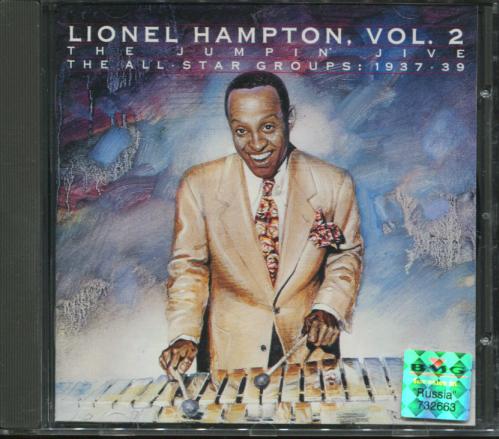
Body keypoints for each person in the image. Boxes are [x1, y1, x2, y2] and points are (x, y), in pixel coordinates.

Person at [159, 71, 363, 376]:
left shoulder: (333, 183)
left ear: (289, 119)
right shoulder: (198, 185)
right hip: (229, 359)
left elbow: (345, 257)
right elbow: (189, 269)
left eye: (268, 127)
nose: (256, 144)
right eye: (241, 131)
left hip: (309, 355)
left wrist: (329, 308)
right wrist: (184, 335)